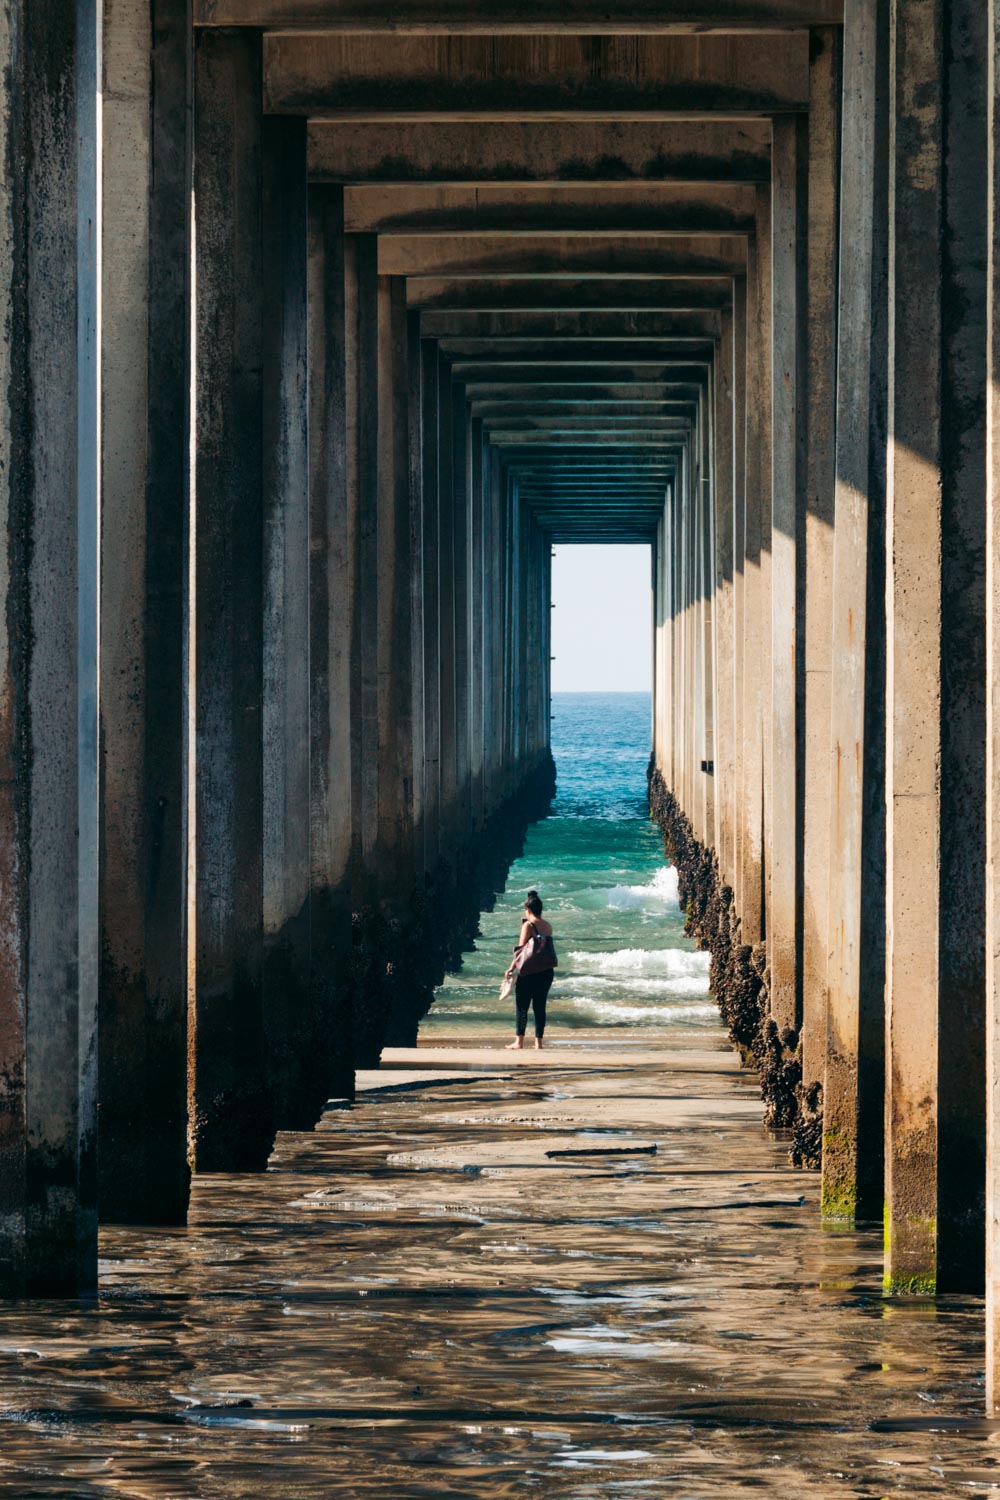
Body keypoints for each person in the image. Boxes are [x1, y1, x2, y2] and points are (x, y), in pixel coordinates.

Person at [505, 894, 555, 1050]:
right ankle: (538, 1043)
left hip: (529, 972)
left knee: (522, 1006)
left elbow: (521, 951)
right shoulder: (548, 926)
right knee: (540, 1007)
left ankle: (519, 1042)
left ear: (528, 909)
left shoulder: (527, 926)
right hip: (546, 971)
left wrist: (511, 968)